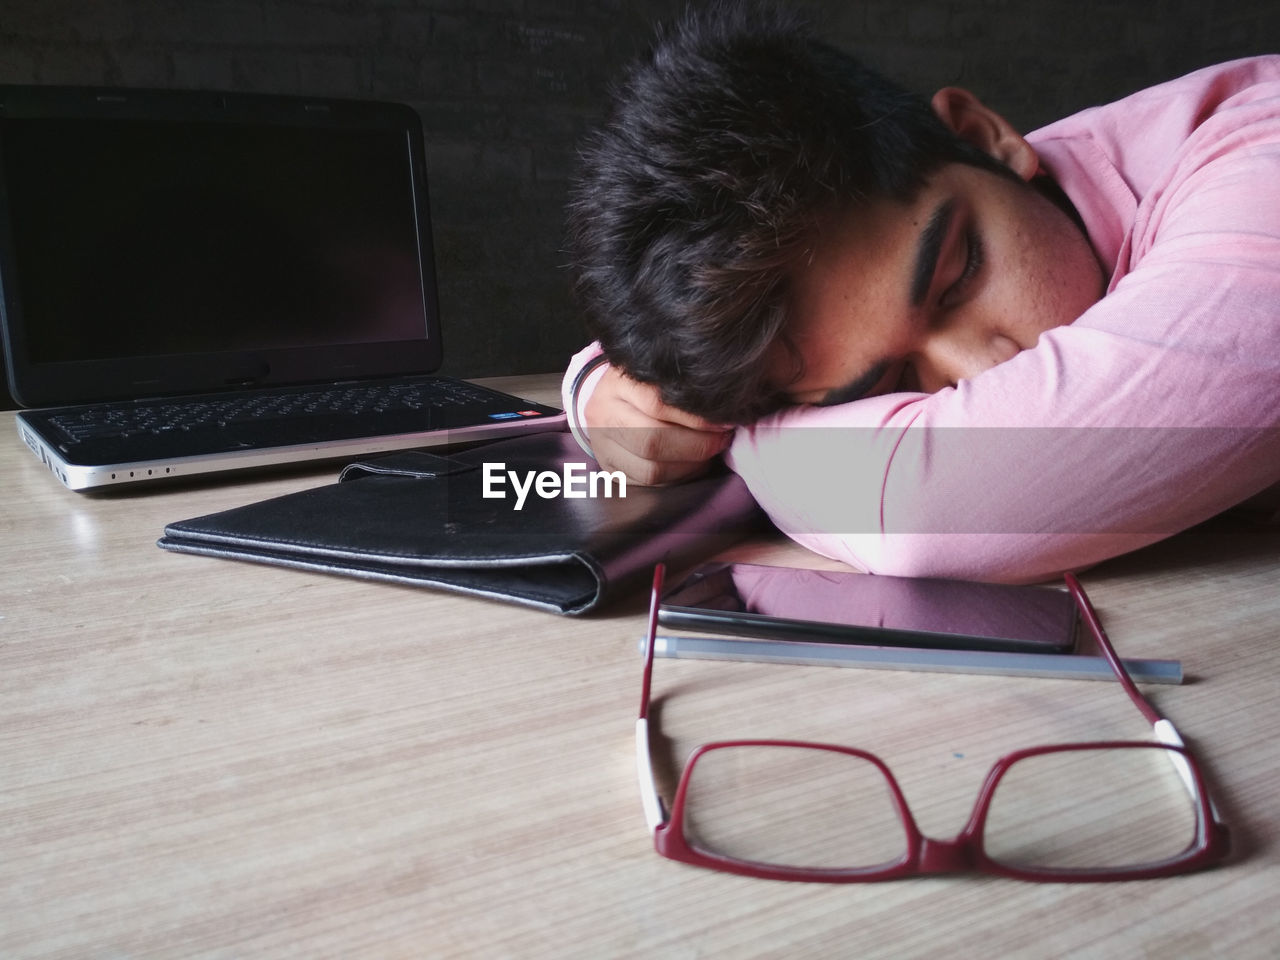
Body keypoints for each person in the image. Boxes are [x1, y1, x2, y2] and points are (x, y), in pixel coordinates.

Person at [561, 5, 1280, 582]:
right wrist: (600, 386)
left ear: (985, 135)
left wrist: (733, 434)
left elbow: (931, 503)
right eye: (894, 383)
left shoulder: (1259, 166)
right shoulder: (959, 196)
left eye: (960, 276)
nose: (985, 375)